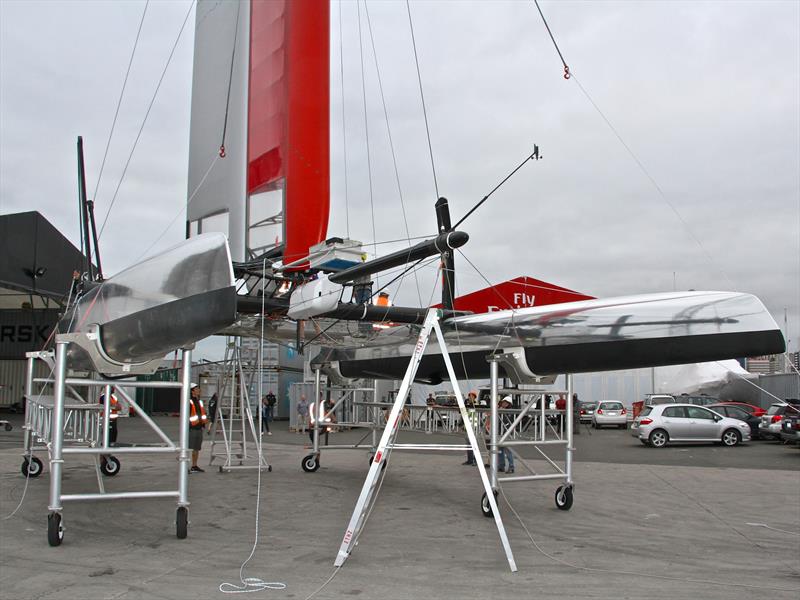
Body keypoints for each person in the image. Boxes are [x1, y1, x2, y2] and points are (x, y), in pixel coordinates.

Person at [188, 383, 208, 472]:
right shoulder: (189, 401)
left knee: (196, 448)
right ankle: (185, 467)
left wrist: (203, 425)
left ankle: (194, 466)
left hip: (199, 427)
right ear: (192, 391)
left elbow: (201, 414)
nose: (199, 390)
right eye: (197, 389)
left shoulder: (199, 401)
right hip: (191, 428)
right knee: (188, 448)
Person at [462, 391, 479, 466]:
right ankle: (470, 460)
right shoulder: (467, 405)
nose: (470, 397)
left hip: (474, 426)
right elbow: (462, 414)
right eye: (469, 396)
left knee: (474, 444)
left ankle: (475, 460)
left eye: (472, 396)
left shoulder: (476, 405)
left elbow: (475, 414)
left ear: (474, 398)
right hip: (467, 426)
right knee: (468, 444)